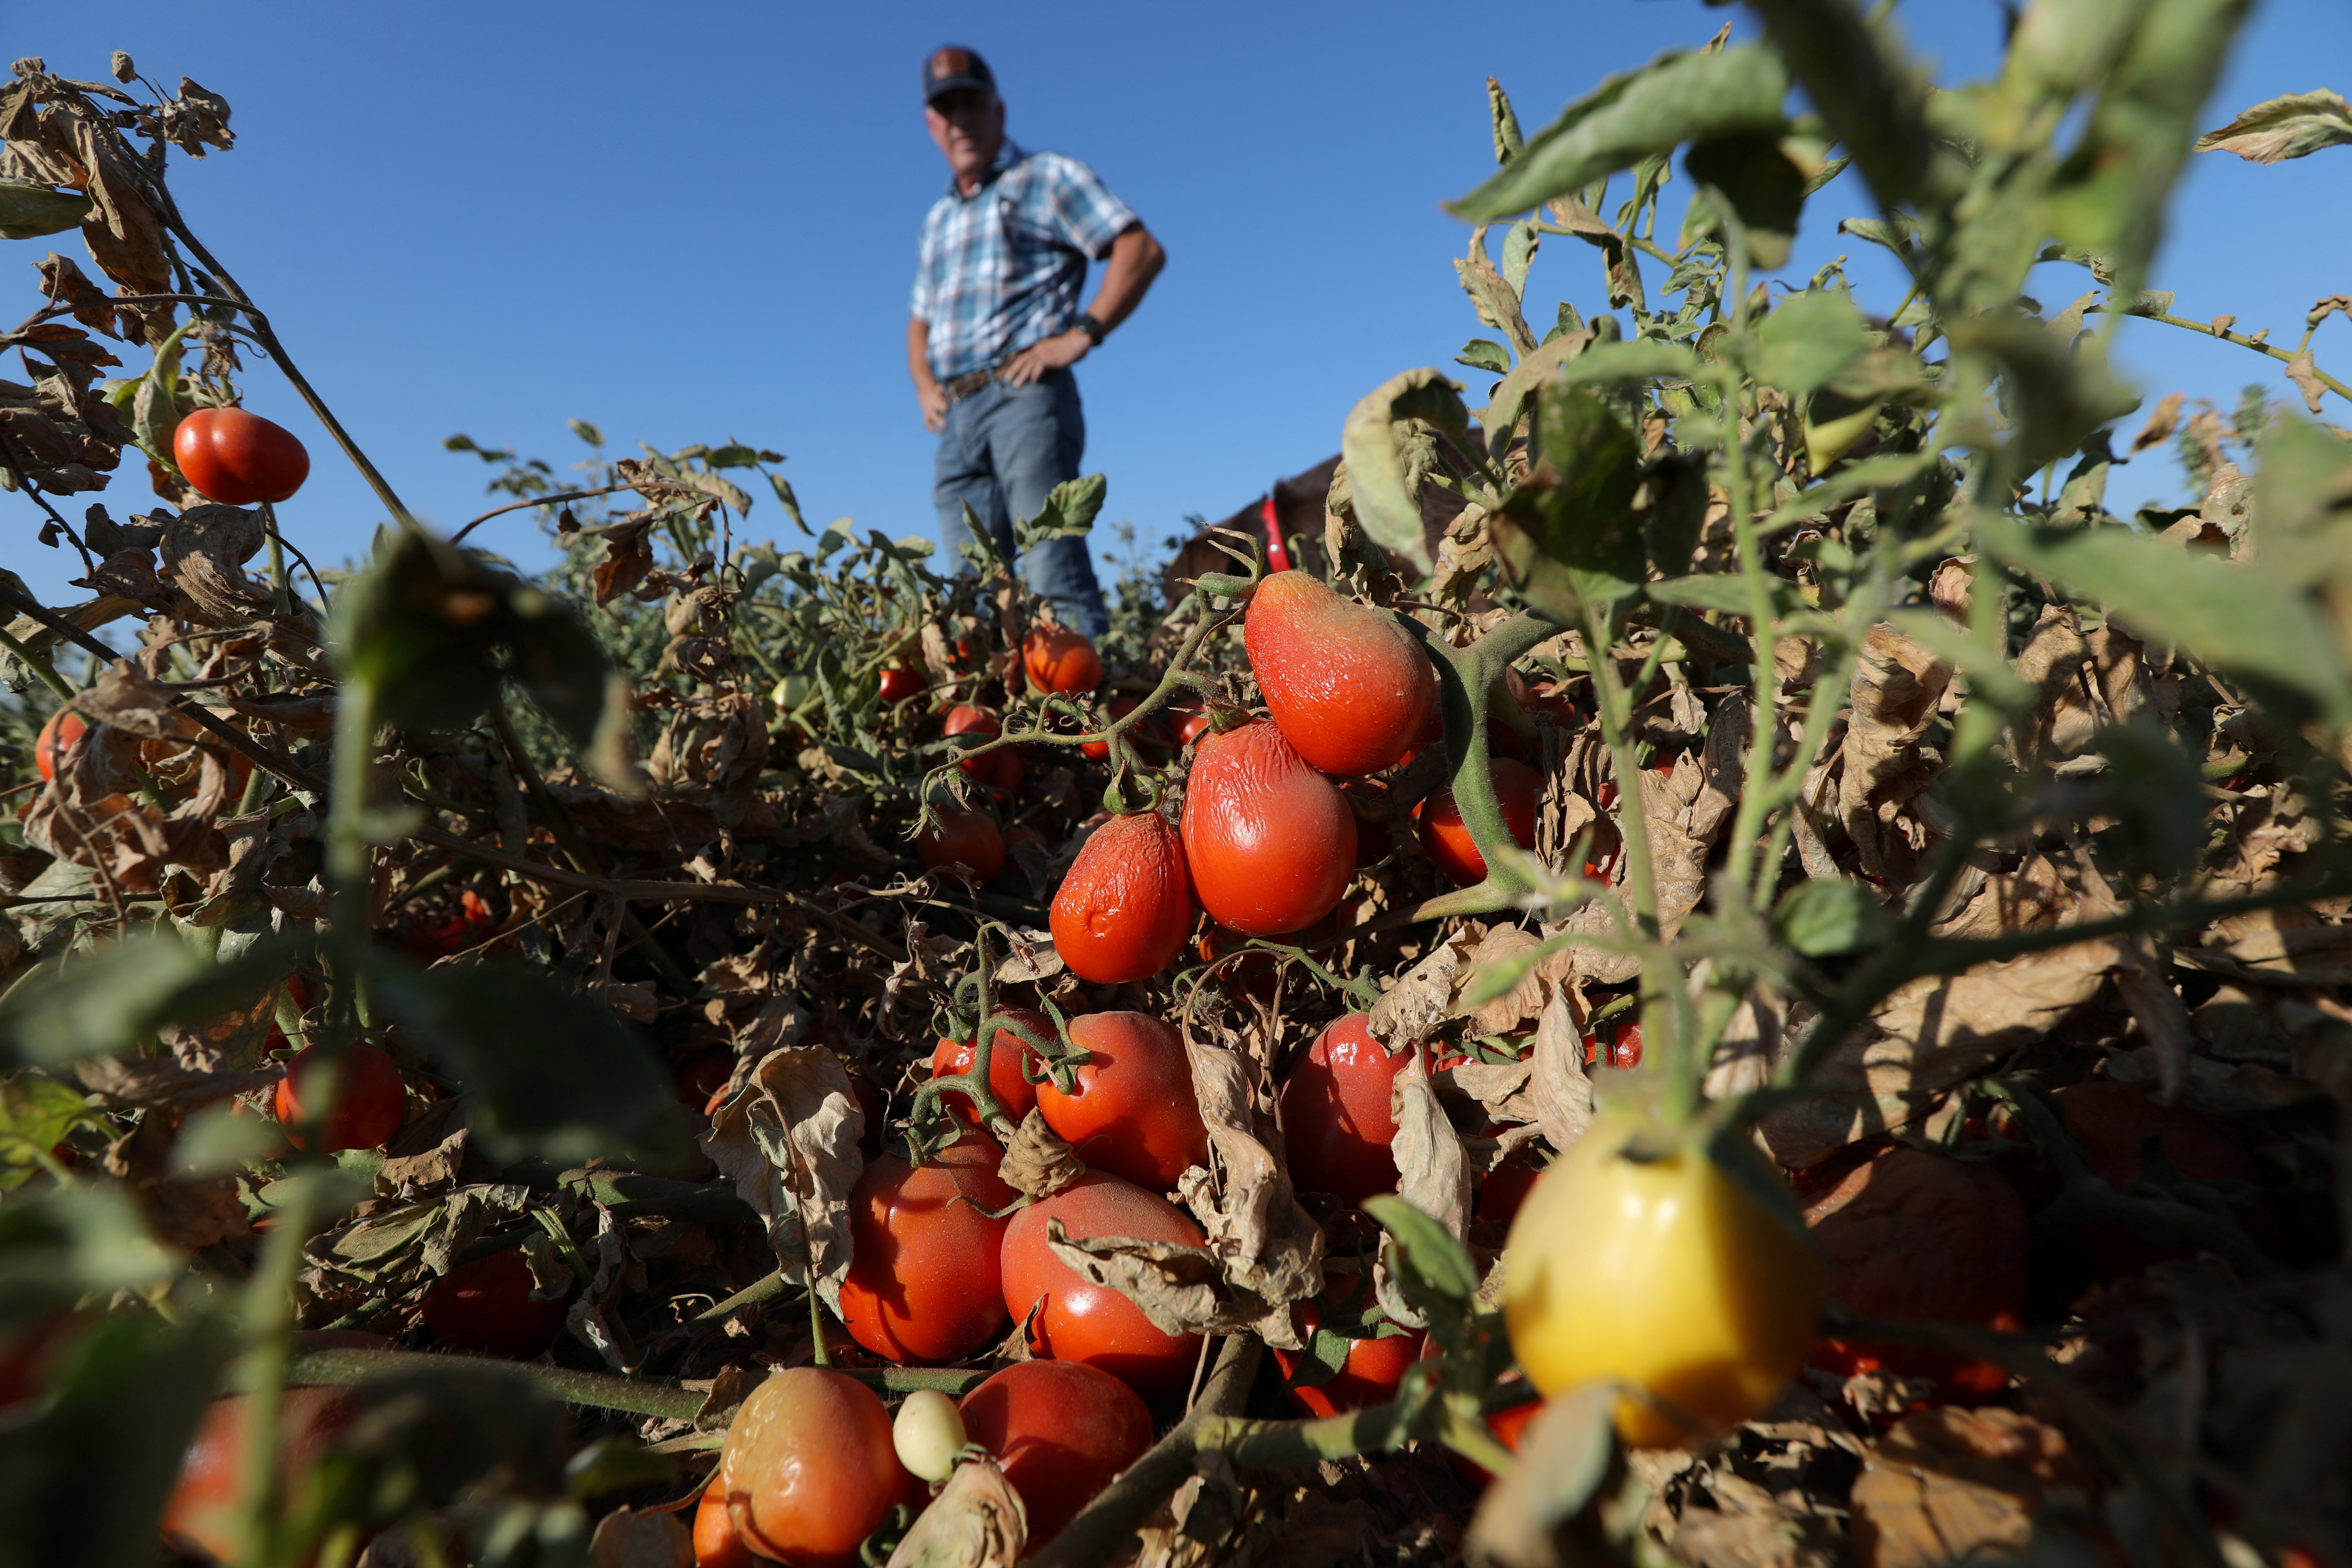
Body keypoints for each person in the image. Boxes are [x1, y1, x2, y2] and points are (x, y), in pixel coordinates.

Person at [907, 45, 1165, 637]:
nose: (961, 120)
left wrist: (1082, 333)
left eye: (972, 104)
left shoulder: (1045, 178)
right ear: (932, 125)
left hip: (1024, 398)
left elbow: (1139, 249)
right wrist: (925, 386)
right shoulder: (938, 220)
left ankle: (1090, 724)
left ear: (998, 110)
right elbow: (918, 320)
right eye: (948, 109)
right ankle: (996, 726)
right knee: (971, 592)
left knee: (1052, 570)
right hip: (957, 414)